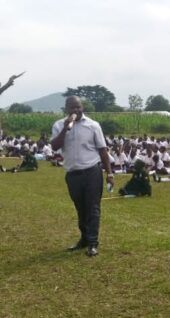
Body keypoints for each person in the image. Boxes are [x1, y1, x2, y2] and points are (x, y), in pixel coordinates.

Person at [50, 96, 114, 257]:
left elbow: (103, 151)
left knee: (93, 208)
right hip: (73, 174)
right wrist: (66, 128)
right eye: (72, 108)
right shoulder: (58, 125)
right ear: (66, 109)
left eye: (78, 107)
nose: (75, 111)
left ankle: (93, 243)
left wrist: (110, 173)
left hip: (92, 171)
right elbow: (55, 146)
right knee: (81, 208)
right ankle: (84, 238)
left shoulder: (93, 125)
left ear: (82, 107)